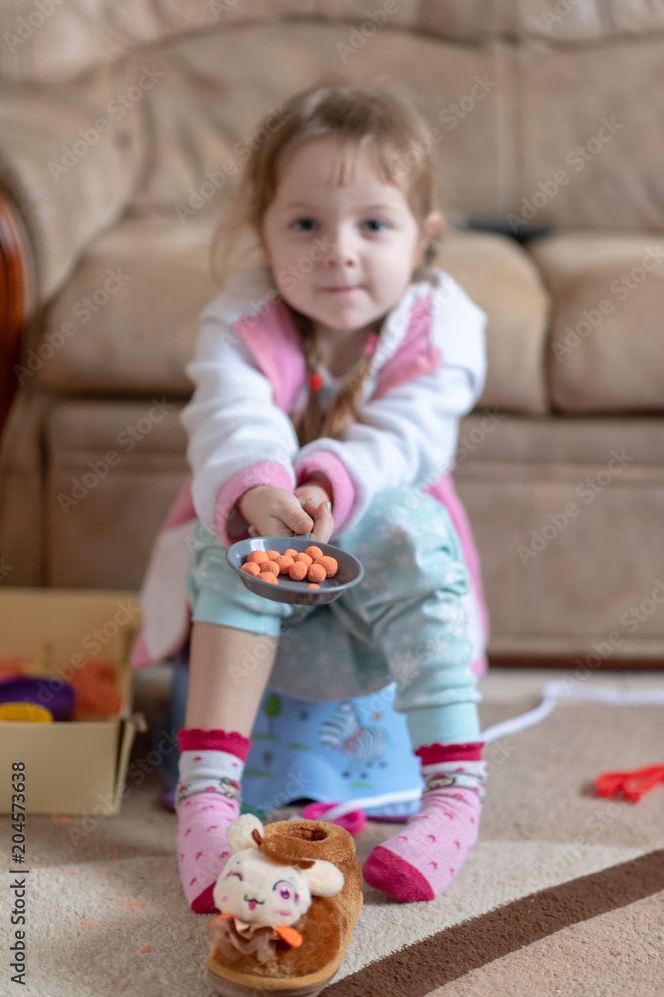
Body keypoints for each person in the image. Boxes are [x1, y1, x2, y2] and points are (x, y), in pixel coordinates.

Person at [132, 76, 491, 913]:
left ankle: (454, 793)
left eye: (373, 224)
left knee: (405, 521)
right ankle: (211, 794)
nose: (339, 249)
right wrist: (260, 494)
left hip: (385, 552)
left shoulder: (446, 325)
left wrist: (332, 482)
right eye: (305, 224)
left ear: (422, 237)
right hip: (268, 543)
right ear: (263, 233)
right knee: (234, 542)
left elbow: (410, 437)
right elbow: (229, 419)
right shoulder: (241, 319)